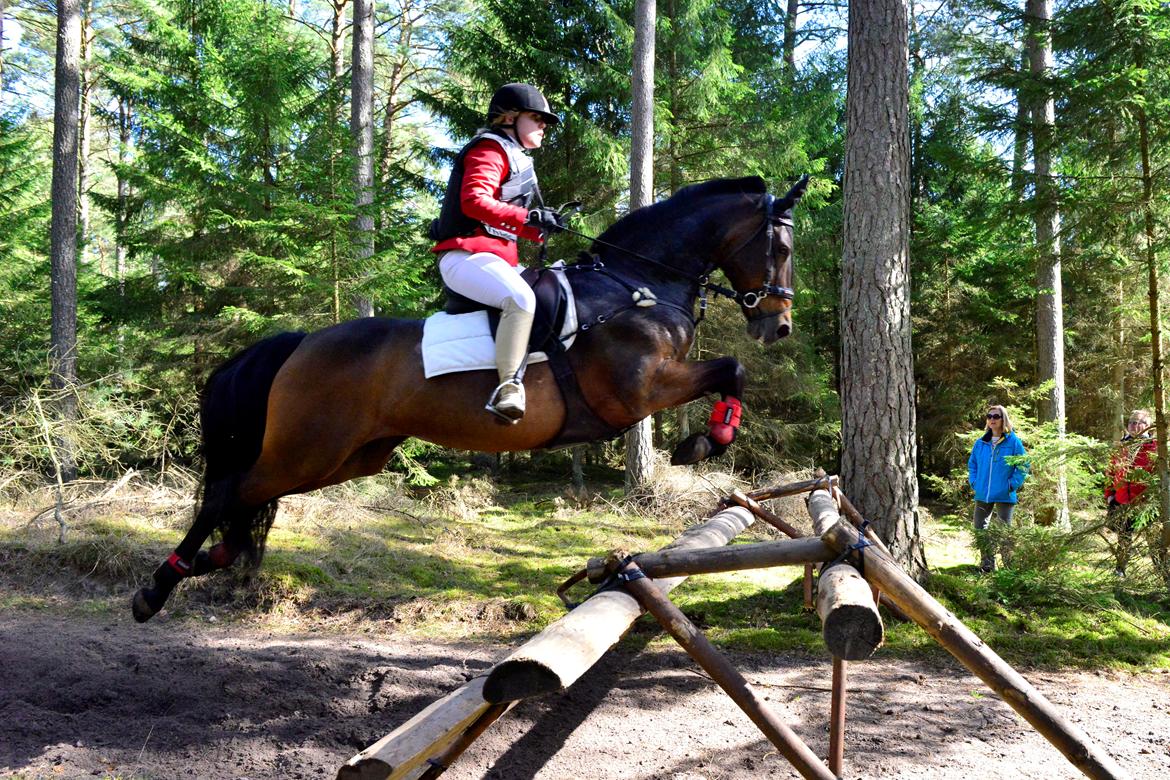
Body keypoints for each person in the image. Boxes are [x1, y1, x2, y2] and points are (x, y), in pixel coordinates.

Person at [429, 83, 566, 422]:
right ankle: (508, 386)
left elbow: (507, 222)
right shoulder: (490, 149)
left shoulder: (515, 156)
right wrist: (527, 217)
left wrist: (539, 226)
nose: (543, 126)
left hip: (497, 259)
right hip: (464, 257)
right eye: (537, 118)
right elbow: (474, 202)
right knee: (520, 300)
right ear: (509, 118)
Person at [967, 404, 1029, 572]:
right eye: (989, 416)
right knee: (980, 529)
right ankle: (987, 566)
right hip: (982, 493)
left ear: (1003, 419)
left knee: (1004, 533)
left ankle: (1009, 568)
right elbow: (972, 465)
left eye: (996, 416)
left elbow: (1023, 465)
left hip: (1004, 494)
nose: (992, 419)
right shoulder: (981, 443)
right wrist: (974, 482)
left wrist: (1011, 484)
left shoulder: (1013, 441)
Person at [1104, 409, 1157, 576]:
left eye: (1140, 422)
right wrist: (1110, 496)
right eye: (1132, 422)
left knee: (1154, 540)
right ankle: (1120, 570)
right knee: (1123, 539)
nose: (1135, 426)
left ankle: (1163, 572)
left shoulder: (1155, 447)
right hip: (1122, 501)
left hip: (1146, 503)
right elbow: (1110, 473)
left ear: (1148, 426)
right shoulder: (1121, 446)